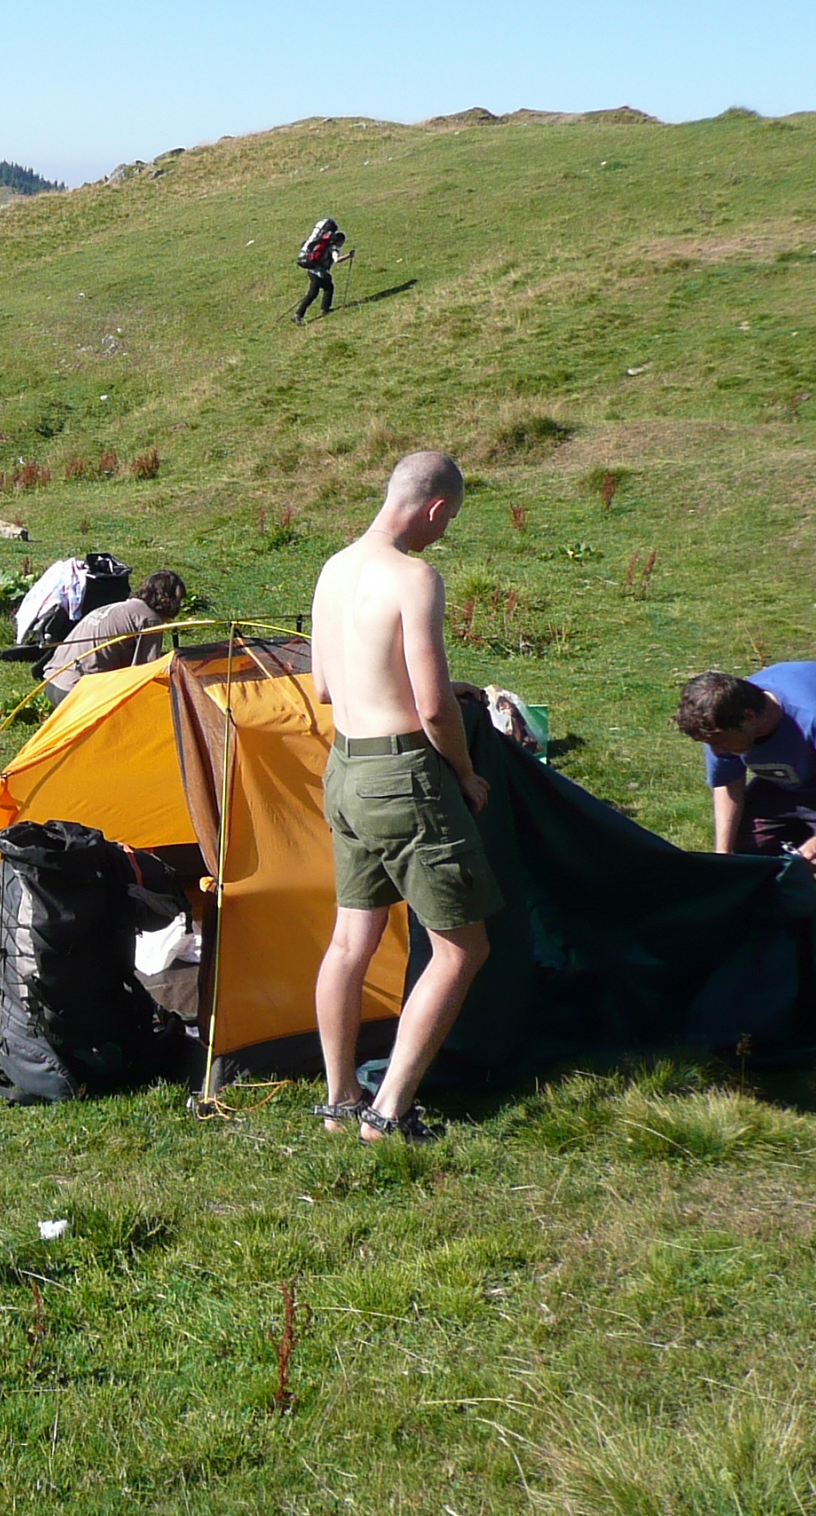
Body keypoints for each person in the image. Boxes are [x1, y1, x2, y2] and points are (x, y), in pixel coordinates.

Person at [308, 452, 501, 1143]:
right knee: (461, 950)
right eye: (447, 522)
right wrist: (465, 772)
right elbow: (431, 706)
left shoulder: (333, 568)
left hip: (345, 769)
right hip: (404, 776)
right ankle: (388, 1113)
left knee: (350, 941)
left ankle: (339, 1102)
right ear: (435, 509)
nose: (442, 534)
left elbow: (323, 687)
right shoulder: (415, 577)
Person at [673, 664, 816, 1029]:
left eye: (720, 741)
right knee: (750, 871)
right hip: (789, 779)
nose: (716, 749)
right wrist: (724, 855)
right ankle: (773, 988)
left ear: (750, 717)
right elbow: (728, 783)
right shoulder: (721, 722)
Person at [40, 568, 185, 701]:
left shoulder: (120, 608)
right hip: (75, 692)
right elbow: (144, 673)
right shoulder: (149, 619)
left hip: (53, 680)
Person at [293, 218, 351, 324]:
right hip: (317, 273)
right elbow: (337, 260)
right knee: (313, 294)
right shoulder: (333, 248)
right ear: (340, 241)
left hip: (312, 270)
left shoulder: (325, 244)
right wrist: (349, 256)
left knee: (328, 287)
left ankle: (324, 309)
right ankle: (299, 315)